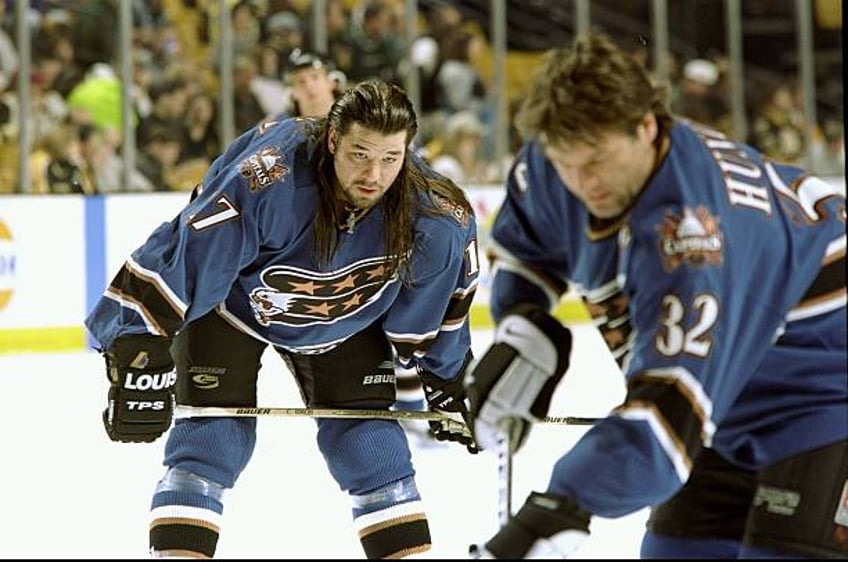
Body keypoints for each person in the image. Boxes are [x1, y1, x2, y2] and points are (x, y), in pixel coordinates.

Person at [464, 32, 847, 559]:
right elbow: (529, 239)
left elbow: (669, 411)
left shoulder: (694, 237)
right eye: (565, 163)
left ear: (647, 127)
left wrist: (561, 506)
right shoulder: (558, 161)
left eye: (595, 161)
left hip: (826, 396)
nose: (581, 182)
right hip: (726, 403)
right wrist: (523, 319)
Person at [84, 79, 481, 559]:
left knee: (373, 449)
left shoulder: (437, 215)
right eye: (359, 154)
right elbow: (188, 250)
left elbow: (445, 301)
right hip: (234, 308)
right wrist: (138, 342)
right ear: (333, 140)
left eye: (390, 158)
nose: (374, 175)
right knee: (211, 439)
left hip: (349, 318)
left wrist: (451, 376)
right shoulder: (268, 178)